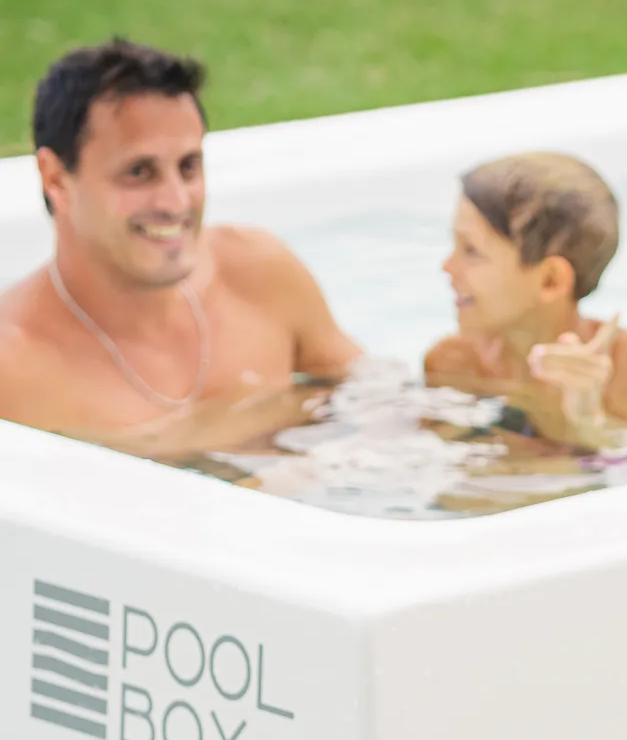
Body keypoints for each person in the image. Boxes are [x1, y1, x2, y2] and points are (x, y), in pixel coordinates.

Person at [0, 39, 360, 459]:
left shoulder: (258, 272)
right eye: (139, 172)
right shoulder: (14, 366)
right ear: (56, 178)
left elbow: (378, 404)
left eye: (188, 166)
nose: (175, 202)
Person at [422, 151, 627, 450]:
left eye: (471, 251)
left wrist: (586, 417)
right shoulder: (455, 363)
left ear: (550, 280)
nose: (447, 267)